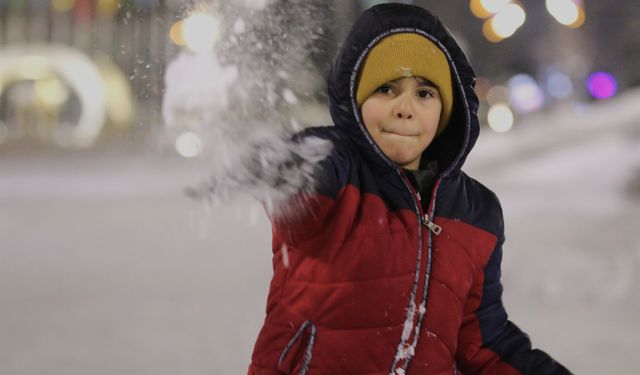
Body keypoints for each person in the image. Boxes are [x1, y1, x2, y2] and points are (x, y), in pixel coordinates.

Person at [247, 3, 571, 374]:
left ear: (446, 109)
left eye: (425, 93)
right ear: (357, 99)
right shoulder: (340, 173)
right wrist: (286, 166)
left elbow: (483, 343)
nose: (405, 108)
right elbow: (308, 176)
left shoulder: (476, 212)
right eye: (386, 88)